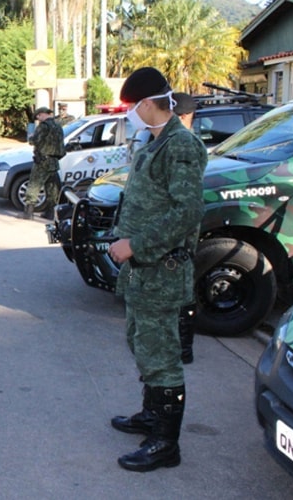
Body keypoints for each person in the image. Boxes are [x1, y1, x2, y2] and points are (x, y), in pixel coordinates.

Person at [106, 68, 208, 472]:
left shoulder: (180, 146)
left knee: (161, 353)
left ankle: (166, 443)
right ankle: (152, 415)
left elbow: (188, 212)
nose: (131, 113)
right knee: (142, 343)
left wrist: (135, 244)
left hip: (161, 270)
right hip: (143, 272)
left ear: (149, 104)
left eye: (133, 106)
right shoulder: (156, 142)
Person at [171, 92, 198, 365]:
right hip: (176, 228)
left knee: (183, 289)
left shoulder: (186, 145)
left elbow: (184, 202)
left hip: (181, 231)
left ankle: (184, 348)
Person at [23, 107, 66, 220]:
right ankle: (50, 213)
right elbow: (61, 145)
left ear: (42, 114)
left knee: (34, 184)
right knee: (52, 187)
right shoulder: (58, 126)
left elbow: (35, 140)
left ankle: (28, 213)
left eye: (38, 116)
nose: (38, 119)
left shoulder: (43, 126)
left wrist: (31, 138)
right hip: (54, 160)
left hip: (42, 161)